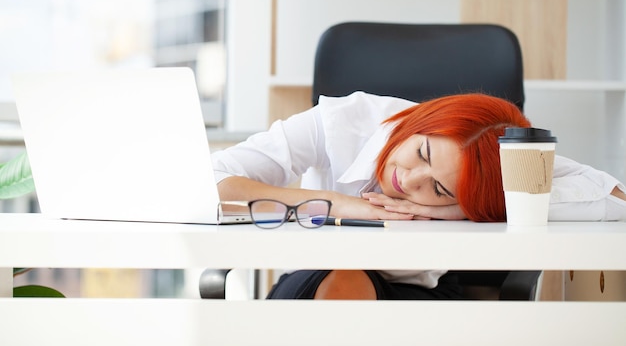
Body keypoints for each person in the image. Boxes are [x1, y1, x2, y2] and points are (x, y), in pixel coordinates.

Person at [212, 91, 626, 300]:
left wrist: (470, 206)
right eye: (421, 153)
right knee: (345, 280)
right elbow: (213, 180)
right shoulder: (342, 123)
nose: (408, 181)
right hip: (318, 277)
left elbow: (615, 197)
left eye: (438, 188)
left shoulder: (500, 158)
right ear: (419, 121)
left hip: (421, 289)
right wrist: (336, 203)